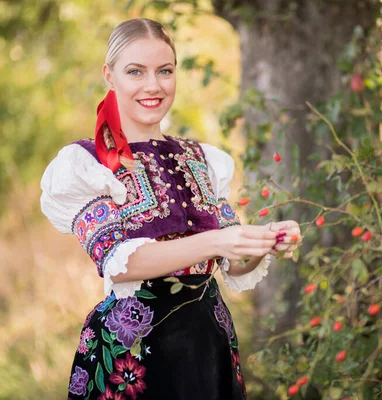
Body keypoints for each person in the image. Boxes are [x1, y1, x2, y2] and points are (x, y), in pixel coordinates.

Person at [39, 18, 301, 400]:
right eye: (135, 71)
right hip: (134, 352)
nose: (153, 85)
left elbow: (233, 262)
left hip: (207, 346)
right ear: (109, 76)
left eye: (164, 71)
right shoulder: (88, 164)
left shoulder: (203, 159)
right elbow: (123, 262)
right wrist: (219, 241)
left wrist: (265, 241)